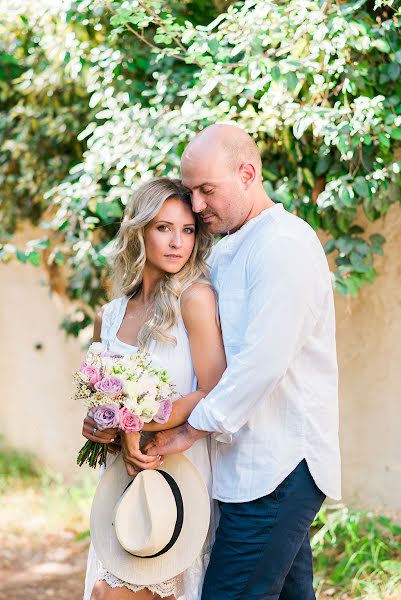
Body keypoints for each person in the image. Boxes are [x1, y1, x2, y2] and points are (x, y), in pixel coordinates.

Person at [144, 124, 342, 600]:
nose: (195, 205)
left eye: (206, 190)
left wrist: (190, 429)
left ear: (248, 174)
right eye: (189, 191)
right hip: (245, 466)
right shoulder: (232, 246)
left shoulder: (283, 244)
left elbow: (261, 362)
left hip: (277, 467)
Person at [81, 177, 226, 600]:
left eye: (187, 230)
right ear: (139, 230)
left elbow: (216, 391)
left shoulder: (194, 299)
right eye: (164, 228)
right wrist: (101, 425)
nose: (178, 242)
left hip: (178, 475)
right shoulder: (109, 315)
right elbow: (99, 401)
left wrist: (145, 420)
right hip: (121, 482)